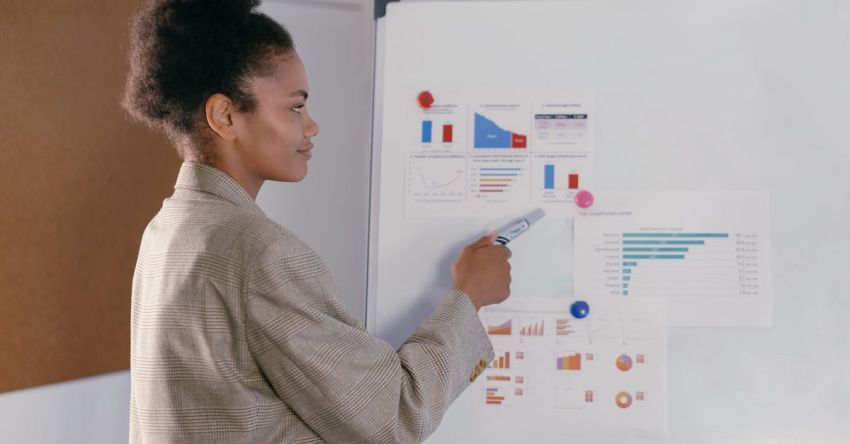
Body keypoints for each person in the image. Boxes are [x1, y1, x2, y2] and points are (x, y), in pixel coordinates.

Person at [123, 0, 512, 442]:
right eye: (295, 108)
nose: (312, 127)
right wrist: (468, 297)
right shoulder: (259, 252)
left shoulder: (165, 230)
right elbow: (394, 417)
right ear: (225, 116)